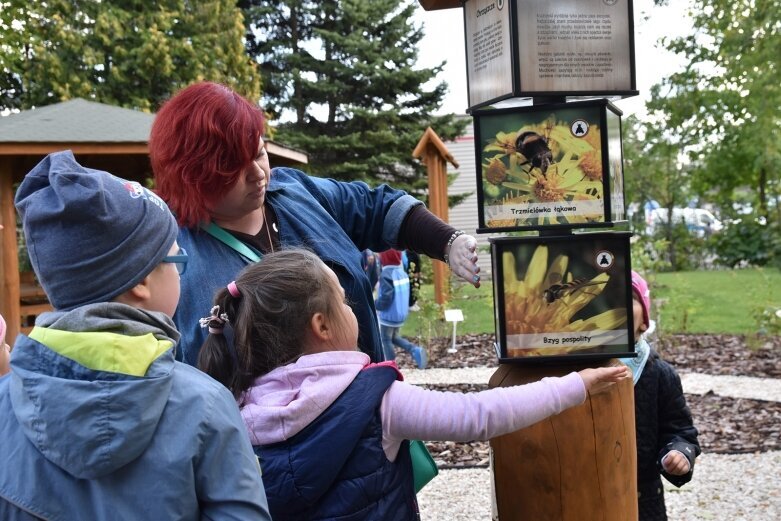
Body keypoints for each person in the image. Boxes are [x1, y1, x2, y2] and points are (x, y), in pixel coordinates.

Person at [197, 249, 630, 520]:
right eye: (345, 302)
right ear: (322, 325)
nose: (352, 310)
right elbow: (477, 416)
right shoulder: (375, 400)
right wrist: (577, 384)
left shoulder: (235, 406)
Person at [0, 151, 271, 520]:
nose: (182, 274)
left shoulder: (5, 405)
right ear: (142, 282)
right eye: (178, 261)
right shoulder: (205, 406)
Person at [149, 81, 481, 366]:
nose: (259, 173)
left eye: (260, 152)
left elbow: (376, 207)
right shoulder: (169, 255)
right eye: (235, 168)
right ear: (194, 176)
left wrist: (447, 243)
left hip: (371, 418)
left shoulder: (296, 191)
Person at [621, 271, 700, 521]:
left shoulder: (659, 374)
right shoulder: (575, 371)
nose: (618, 302)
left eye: (629, 297)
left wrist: (679, 453)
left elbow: (680, 430)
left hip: (643, 496)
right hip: (584, 488)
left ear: (644, 321)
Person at [376, 249, 428, 369]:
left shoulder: (386, 275)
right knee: (393, 337)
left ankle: (390, 367)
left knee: (385, 339)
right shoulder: (402, 272)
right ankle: (415, 350)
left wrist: (375, 304)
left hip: (388, 316)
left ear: (385, 258)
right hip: (400, 314)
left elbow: (386, 298)